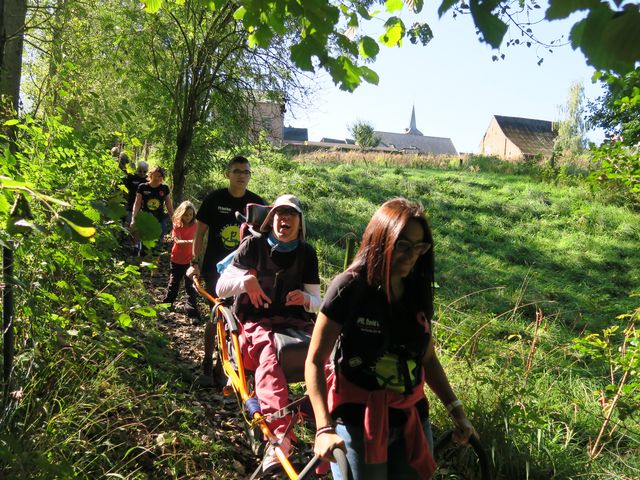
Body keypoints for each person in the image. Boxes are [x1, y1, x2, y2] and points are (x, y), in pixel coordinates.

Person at [305, 197, 476, 480]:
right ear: (381, 240)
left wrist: (456, 410)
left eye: (419, 247)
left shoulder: (416, 291)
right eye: (403, 245)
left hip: (412, 419)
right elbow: (315, 360)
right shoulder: (349, 288)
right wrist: (324, 429)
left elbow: (427, 357)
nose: (411, 256)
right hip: (359, 420)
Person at [216, 194, 321, 474]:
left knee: (329, 357)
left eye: (291, 215)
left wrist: (307, 300)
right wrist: (245, 281)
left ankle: (332, 423)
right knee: (269, 354)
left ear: (300, 223)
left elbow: (318, 302)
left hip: (294, 323)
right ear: (271, 219)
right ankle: (278, 438)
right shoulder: (253, 245)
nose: (284, 219)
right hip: (256, 322)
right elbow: (220, 287)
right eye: (279, 214)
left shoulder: (307, 254)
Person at [189, 155, 264, 379]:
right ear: (228, 174)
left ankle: (224, 363)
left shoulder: (256, 203)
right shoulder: (214, 199)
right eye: (237, 171)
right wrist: (195, 263)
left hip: (242, 271)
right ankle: (206, 360)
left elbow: (263, 238)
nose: (242, 176)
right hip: (215, 269)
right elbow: (199, 233)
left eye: (246, 172)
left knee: (237, 317)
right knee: (216, 314)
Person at [162, 201, 200, 320]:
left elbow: (200, 239)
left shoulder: (196, 225)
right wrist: (192, 242)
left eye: (190, 214)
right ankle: (166, 305)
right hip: (177, 259)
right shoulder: (177, 224)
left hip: (190, 260)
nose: (188, 217)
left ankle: (192, 311)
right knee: (174, 283)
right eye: (185, 215)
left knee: (191, 286)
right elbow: (177, 241)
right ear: (181, 214)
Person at [130, 166, 174, 254]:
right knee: (145, 247)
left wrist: (174, 219)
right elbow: (137, 204)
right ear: (151, 175)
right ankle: (143, 265)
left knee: (157, 247)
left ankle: (154, 265)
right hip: (146, 220)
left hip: (159, 221)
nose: (158, 178)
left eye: (160, 176)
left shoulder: (164, 188)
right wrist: (133, 219)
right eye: (156, 175)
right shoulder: (142, 187)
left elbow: (169, 205)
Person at [123, 160, 149, 226]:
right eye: (140, 171)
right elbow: (125, 189)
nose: (142, 173)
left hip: (144, 208)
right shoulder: (132, 178)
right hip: (131, 205)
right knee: (130, 226)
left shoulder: (148, 180)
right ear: (137, 170)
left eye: (144, 171)